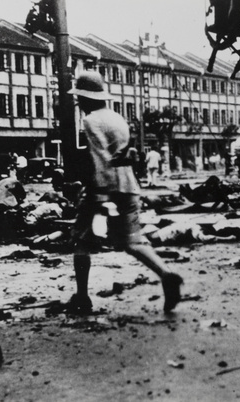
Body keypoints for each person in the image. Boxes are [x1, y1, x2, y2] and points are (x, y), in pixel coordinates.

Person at [67, 71, 183, 314]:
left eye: (80, 98)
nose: (79, 103)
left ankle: (82, 297)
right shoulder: (118, 118)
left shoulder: (90, 121)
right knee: (132, 241)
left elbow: (101, 159)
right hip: (128, 187)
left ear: (86, 98)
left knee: (82, 240)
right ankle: (166, 273)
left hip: (104, 189)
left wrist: (100, 197)